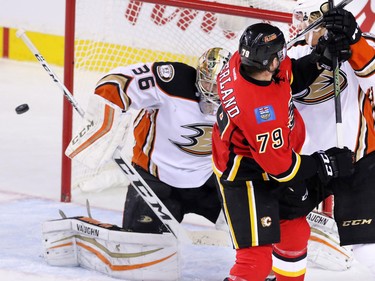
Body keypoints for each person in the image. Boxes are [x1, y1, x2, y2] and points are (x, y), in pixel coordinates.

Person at [211, 22, 354, 281]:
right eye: (280, 55)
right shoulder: (261, 112)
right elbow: (283, 169)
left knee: (295, 233)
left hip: (265, 155)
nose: (283, 58)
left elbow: (290, 76)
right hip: (244, 174)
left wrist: (320, 57)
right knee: (255, 262)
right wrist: (325, 163)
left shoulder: (245, 64)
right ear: (271, 63)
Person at [65, 47, 232, 234]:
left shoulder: (241, 99)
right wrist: (105, 122)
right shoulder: (172, 81)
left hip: (209, 180)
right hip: (154, 179)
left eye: (220, 85)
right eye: (209, 83)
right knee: (137, 246)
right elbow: (117, 82)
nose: (213, 92)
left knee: (258, 228)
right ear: (199, 75)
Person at [289, 0, 375, 278]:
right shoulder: (288, 52)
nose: (301, 25)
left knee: (365, 246)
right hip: (309, 163)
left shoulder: (360, 42)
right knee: (278, 227)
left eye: (306, 18)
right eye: (299, 18)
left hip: (355, 158)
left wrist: (355, 45)